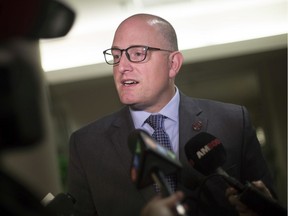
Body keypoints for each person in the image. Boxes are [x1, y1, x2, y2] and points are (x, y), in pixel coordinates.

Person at [67, 13, 276, 216]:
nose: (121, 67)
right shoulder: (86, 145)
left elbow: (271, 203)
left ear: (173, 64)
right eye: (116, 56)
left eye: (138, 54)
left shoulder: (232, 122)